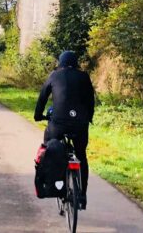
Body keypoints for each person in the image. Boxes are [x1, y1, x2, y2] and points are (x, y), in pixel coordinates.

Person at [34, 50, 95, 209]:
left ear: (60, 62)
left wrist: (38, 115)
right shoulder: (84, 76)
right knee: (81, 155)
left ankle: (53, 185)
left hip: (58, 123)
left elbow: (42, 97)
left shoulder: (54, 75)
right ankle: (82, 196)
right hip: (80, 123)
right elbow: (90, 101)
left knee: (50, 147)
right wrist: (89, 117)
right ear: (76, 63)